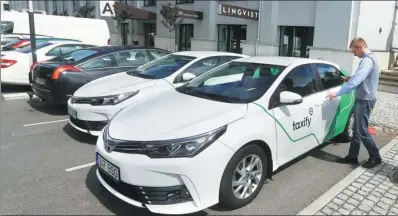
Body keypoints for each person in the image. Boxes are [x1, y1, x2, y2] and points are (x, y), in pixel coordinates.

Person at [327, 37, 382, 168]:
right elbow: (361, 77)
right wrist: (350, 78)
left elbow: (357, 80)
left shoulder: (367, 60)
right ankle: (352, 156)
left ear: (360, 48)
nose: (354, 54)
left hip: (365, 99)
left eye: (354, 51)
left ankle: (375, 156)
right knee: (357, 130)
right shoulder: (371, 58)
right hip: (365, 98)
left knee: (362, 130)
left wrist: (337, 93)